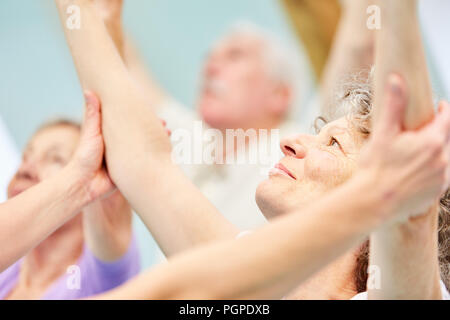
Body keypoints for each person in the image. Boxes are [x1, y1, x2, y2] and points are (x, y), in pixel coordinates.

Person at [56, 0, 450, 299]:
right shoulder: (245, 277)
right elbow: (144, 163)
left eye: (332, 144)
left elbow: (410, 210)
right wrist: (83, 16)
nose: (290, 142)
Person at [93, 0, 306, 230]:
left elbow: (351, 47)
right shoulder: (194, 142)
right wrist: (105, 20)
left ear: (280, 94)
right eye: (209, 57)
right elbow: (130, 73)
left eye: (235, 56)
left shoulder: (302, 153)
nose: (210, 68)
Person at [0, 98, 140, 299]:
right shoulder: (6, 269)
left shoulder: (98, 281)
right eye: (26, 156)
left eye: (56, 158)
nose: (25, 169)